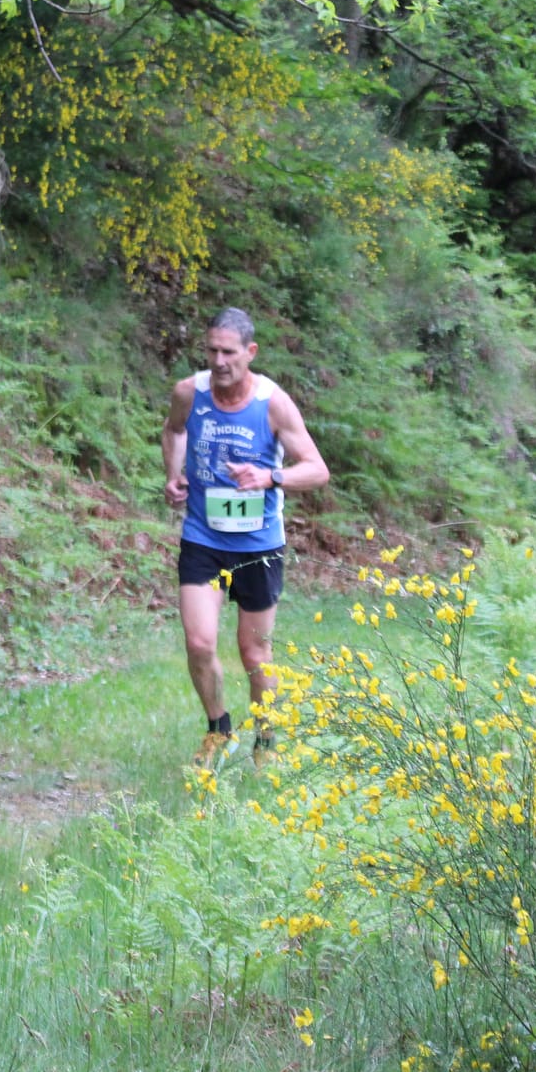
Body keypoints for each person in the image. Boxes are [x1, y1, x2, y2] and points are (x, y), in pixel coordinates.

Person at [162, 308, 330, 767]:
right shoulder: (188, 393)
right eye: (211, 350)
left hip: (258, 548)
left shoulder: (272, 403)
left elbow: (317, 470)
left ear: (250, 353)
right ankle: (219, 728)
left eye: (228, 352)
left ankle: (266, 738)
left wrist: (269, 477)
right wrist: (173, 475)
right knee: (199, 643)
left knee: (254, 651)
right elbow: (174, 430)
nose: (218, 361)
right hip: (203, 539)